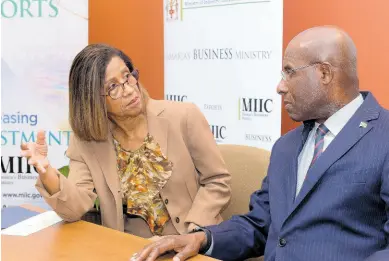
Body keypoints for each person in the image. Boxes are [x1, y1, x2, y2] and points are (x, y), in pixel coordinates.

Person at [134, 26, 389, 261]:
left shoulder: (383, 136)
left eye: (289, 72)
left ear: (324, 73)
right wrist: (202, 238)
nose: (280, 87)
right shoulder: (285, 147)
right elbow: (261, 224)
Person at [20, 44, 231, 239]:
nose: (129, 89)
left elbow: (217, 181)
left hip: (190, 241)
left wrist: (194, 233)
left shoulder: (183, 116)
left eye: (127, 76)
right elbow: (74, 208)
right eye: (113, 87)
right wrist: (46, 171)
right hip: (131, 249)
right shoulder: (86, 141)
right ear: (92, 100)